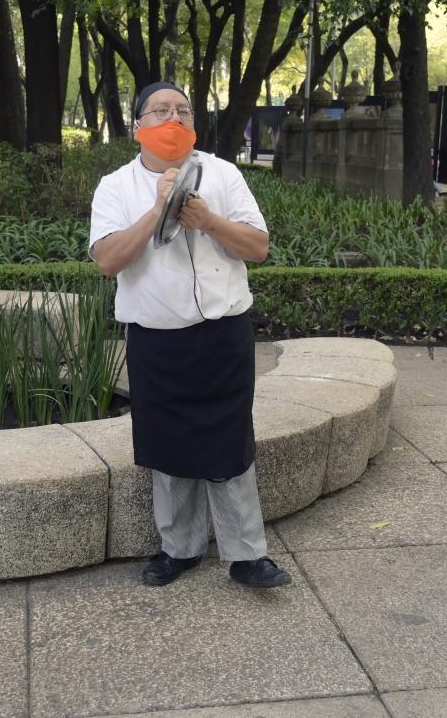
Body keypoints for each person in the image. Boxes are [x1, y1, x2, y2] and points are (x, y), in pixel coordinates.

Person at [88, 81, 292, 589]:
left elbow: (259, 246)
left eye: (182, 110)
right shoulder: (115, 186)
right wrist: (159, 210)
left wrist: (208, 221)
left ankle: (247, 555)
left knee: (231, 440)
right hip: (157, 340)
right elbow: (108, 259)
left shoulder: (222, 173)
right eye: (160, 111)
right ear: (138, 127)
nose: (173, 120)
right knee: (168, 446)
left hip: (223, 333)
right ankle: (178, 548)